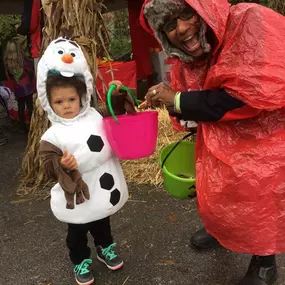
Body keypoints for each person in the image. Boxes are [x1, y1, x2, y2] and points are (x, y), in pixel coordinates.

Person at [140, 0, 285, 284]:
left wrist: (178, 100)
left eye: (186, 15)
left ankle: (265, 262)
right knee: (215, 185)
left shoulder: (248, 21)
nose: (181, 29)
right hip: (222, 134)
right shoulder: (187, 57)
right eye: (169, 25)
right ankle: (222, 229)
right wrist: (167, 101)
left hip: (265, 136)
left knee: (256, 192)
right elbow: (188, 98)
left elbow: (249, 96)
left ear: (204, 9)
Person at [38, 38, 135, 285]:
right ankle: (80, 260)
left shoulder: (94, 116)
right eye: (59, 102)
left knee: (103, 223)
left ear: (82, 96)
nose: (67, 106)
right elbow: (47, 164)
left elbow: (115, 114)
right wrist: (62, 165)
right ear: (49, 103)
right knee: (77, 232)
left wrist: (117, 93)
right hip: (78, 197)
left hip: (102, 190)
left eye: (71, 99)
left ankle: (105, 248)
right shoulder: (53, 135)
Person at [4, 39, 35, 132]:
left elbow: (9, 76)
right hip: (27, 87)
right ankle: (31, 125)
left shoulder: (7, 63)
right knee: (30, 106)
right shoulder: (23, 60)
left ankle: (22, 126)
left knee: (20, 106)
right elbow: (31, 69)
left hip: (17, 87)